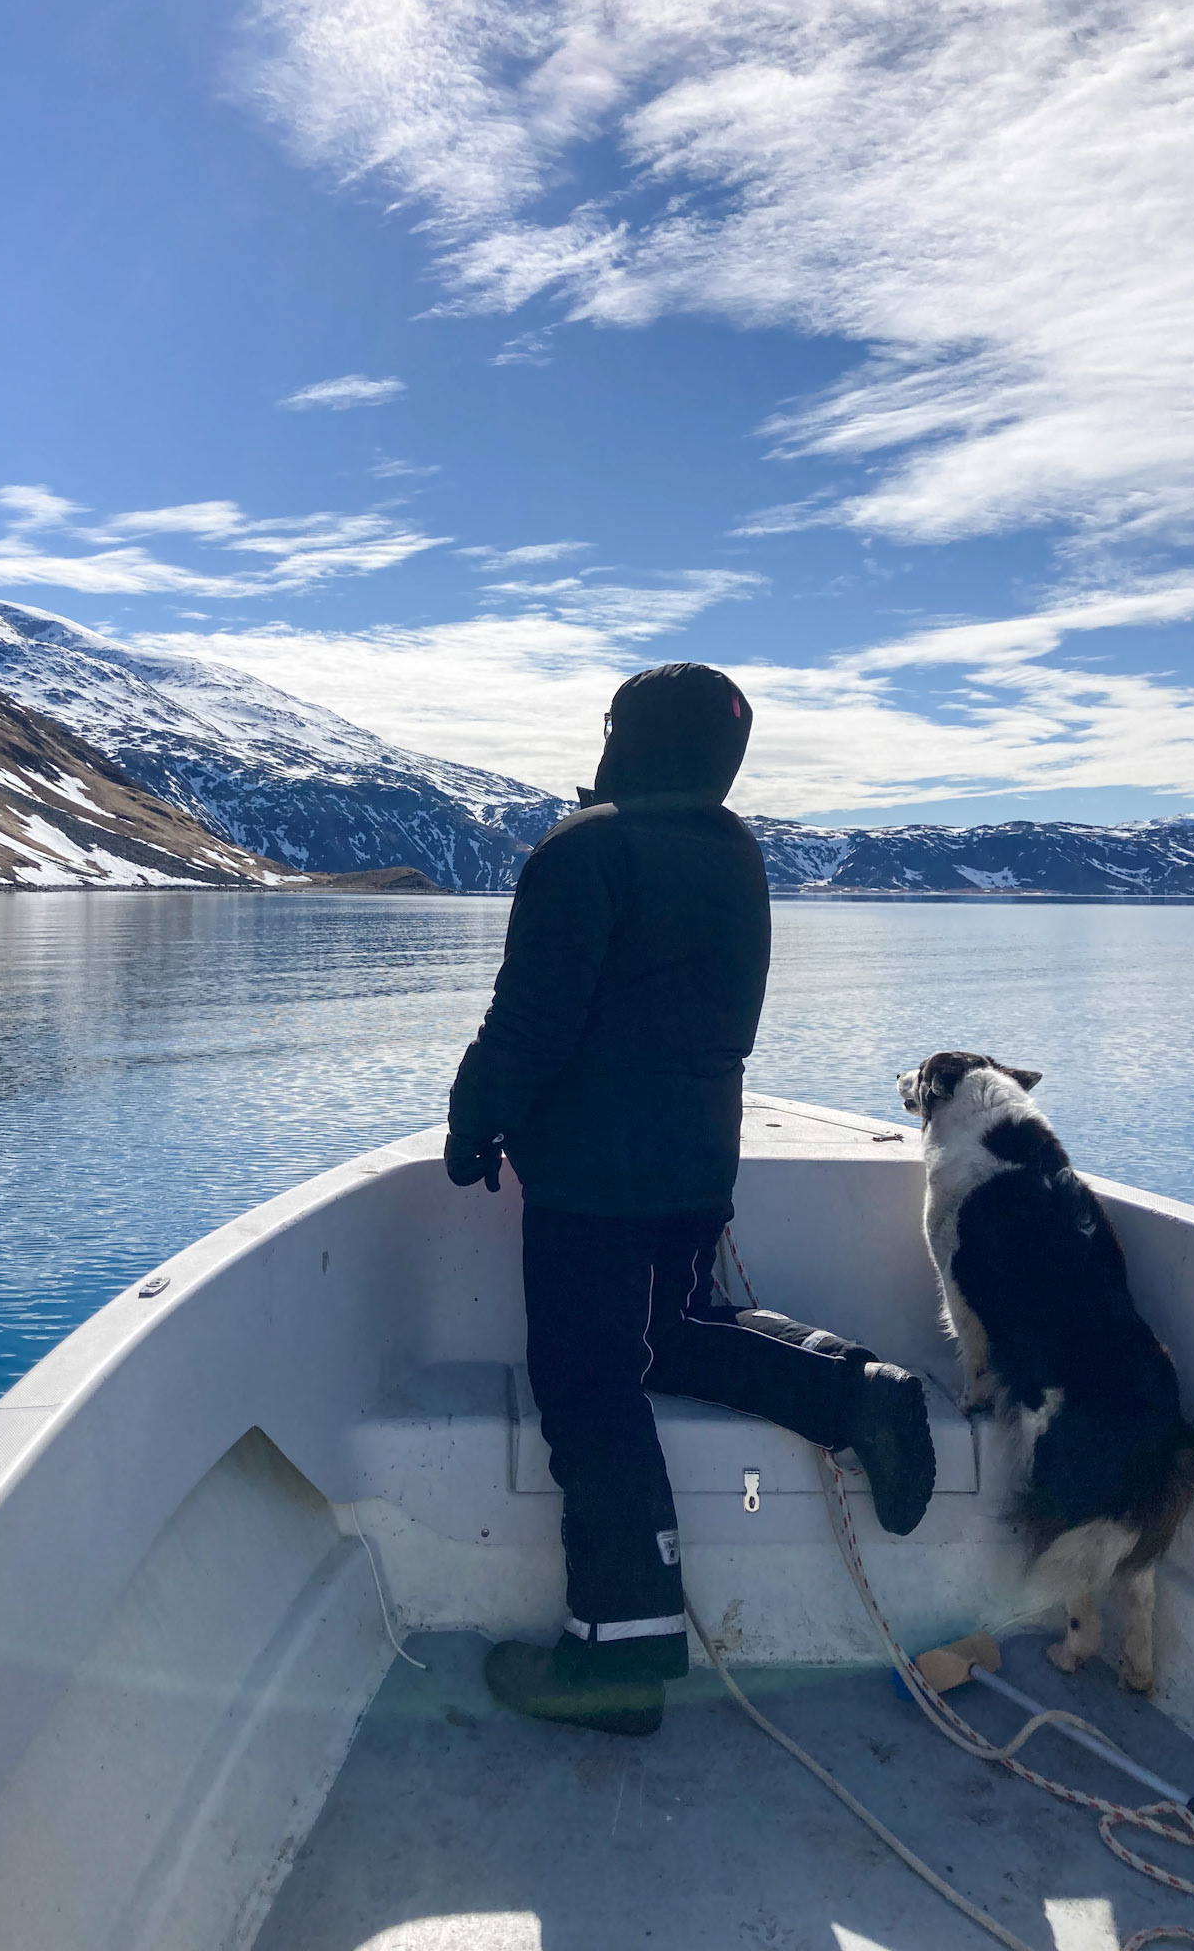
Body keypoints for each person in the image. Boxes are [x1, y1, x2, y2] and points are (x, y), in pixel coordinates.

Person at [445, 662, 934, 1737]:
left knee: (589, 1384)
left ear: (630, 737)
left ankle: (613, 1661)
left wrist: (472, 1120)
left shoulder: (585, 851)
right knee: (672, 1330)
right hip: (696, 1162)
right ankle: (857, 1396)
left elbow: (530, 1022)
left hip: (592, 1178)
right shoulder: (734, 852)